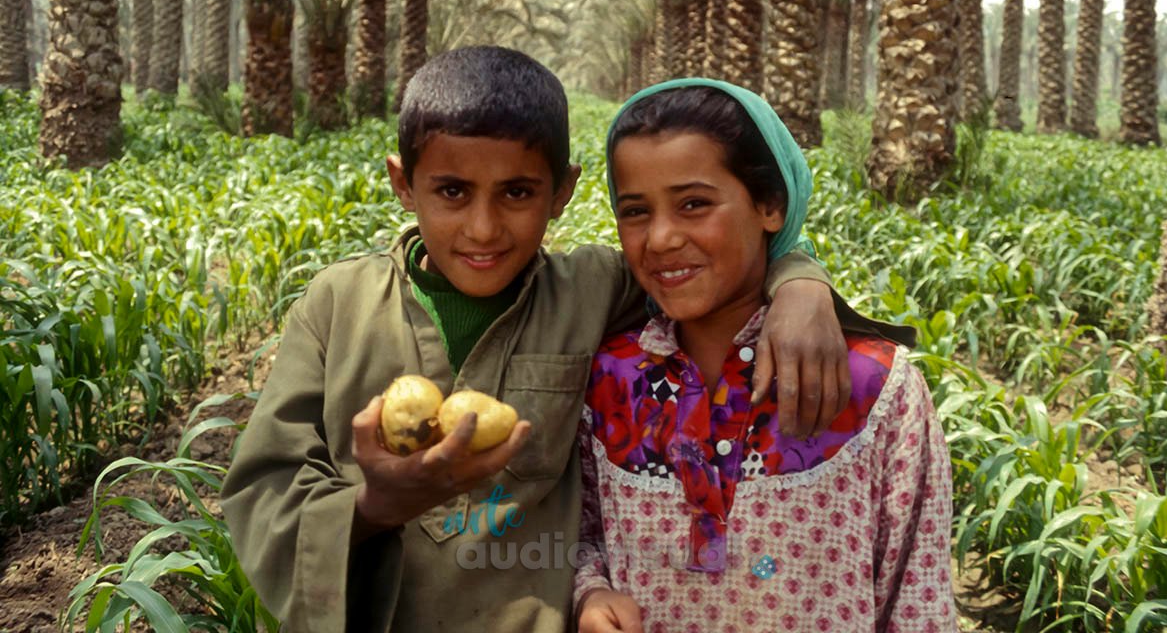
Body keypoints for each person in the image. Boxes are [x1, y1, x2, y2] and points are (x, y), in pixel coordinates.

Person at [221, 47, 861, 633]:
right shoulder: (339, 305)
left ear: (562, 192)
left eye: (517, 193)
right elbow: (263, 492)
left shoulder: (594, 290)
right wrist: (376, 503)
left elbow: (708, 268)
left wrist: (799, 278)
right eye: (451, 191)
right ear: (401, 182)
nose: (482, 227)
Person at [574, 78, 954, 633]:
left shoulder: (874, 388)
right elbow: (579, 536)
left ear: (770, 204)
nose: (659, 238)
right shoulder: (609, 379)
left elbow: (916, 597)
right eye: (635, 211)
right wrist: (590, 592)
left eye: (694, 204)